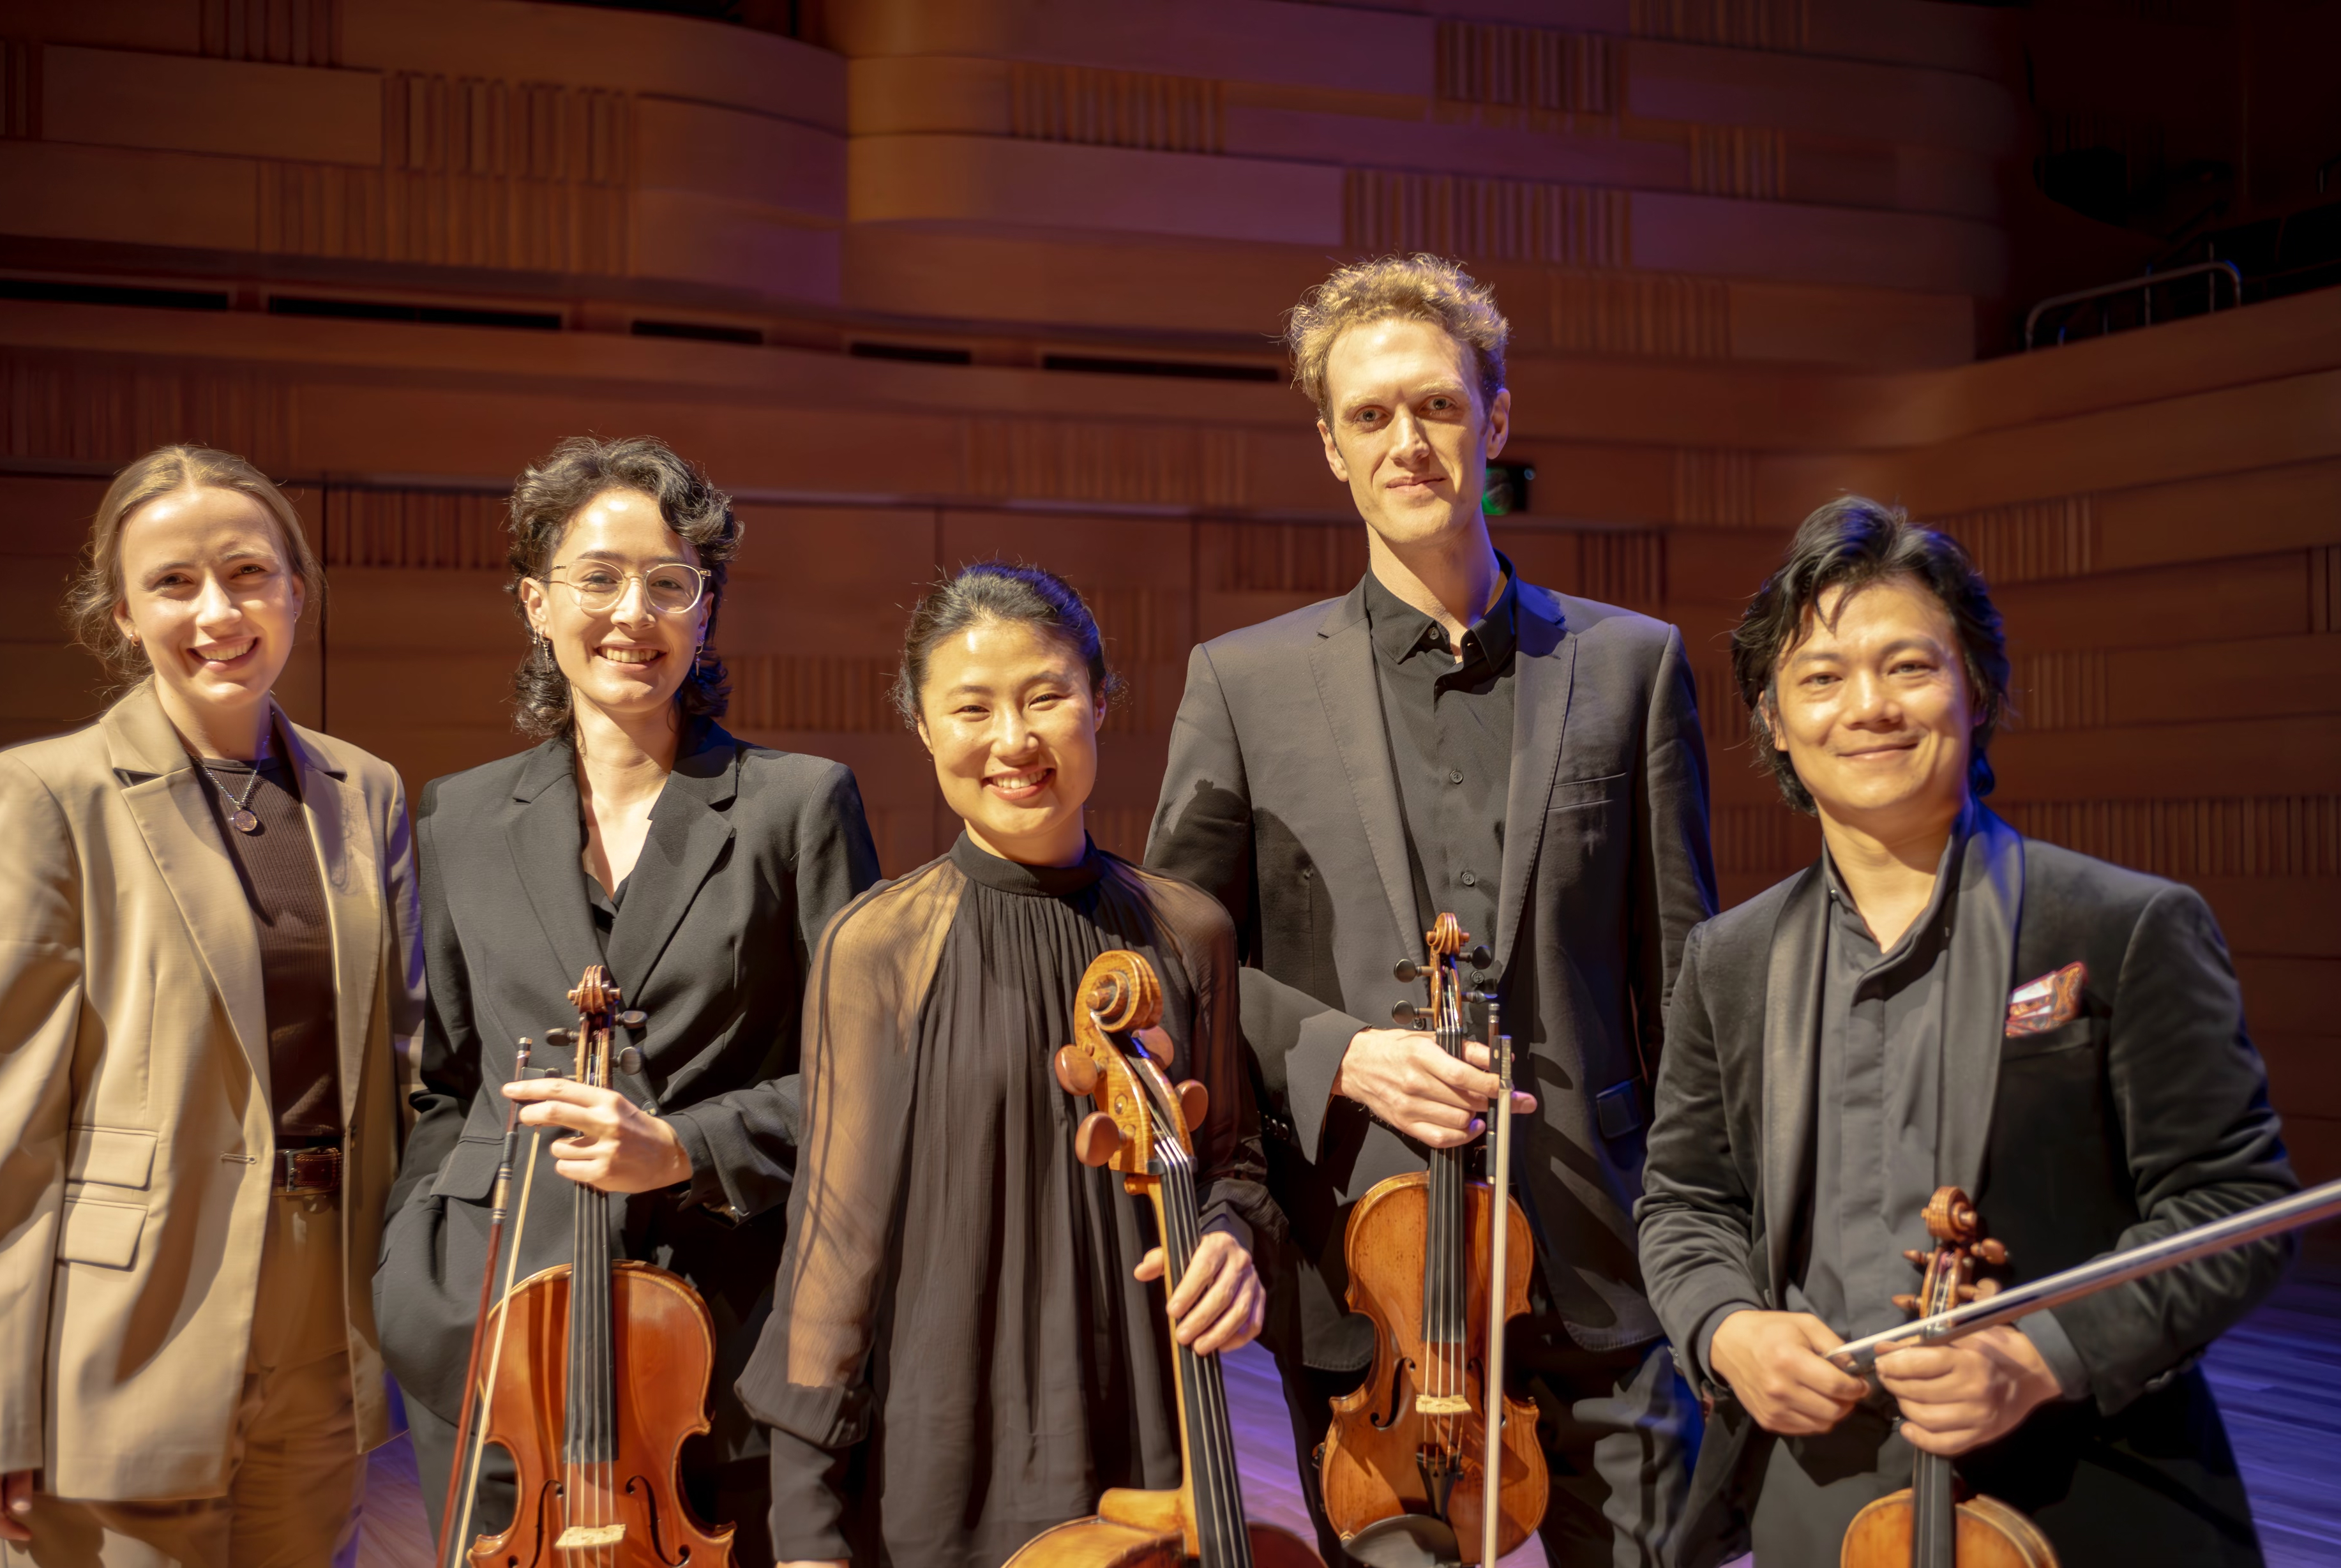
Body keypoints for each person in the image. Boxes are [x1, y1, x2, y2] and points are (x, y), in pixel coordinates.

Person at [1147, 253, 1718, 1567]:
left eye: (1438, 407)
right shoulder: (1243, 686)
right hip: (1373, 1274)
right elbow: (1178, 960)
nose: (1407, 442)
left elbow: (1686, 984)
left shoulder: (1629, 668)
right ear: (1330, 450)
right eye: (1369, 416)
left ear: (1496, 421)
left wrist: (1711, 1245)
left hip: (1600, 1260)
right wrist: (1342, 1050)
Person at [1635, 496, 2297, 1565]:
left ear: (1973, 691)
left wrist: (2040, 1356)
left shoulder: (2124, 929)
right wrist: (1728, 1329)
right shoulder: (1731, 959)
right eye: (1820, 678)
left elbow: (2239, 1209)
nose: (1868, 708)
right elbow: (1686, 1203)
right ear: (1770, 717)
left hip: (2080, 1481)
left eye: (1908, 667)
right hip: (1822, 1486)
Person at [373, 436, 880, 1565]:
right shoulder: (457, 818)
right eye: (597, 578)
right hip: (498, 1320)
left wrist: (688, 1147)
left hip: (723, 1330)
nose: (631, 613)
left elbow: (874, 1077)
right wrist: (420, 1271)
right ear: (534, 604)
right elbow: (447, 1083)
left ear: (706, 612)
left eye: (669, 583)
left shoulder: (798, 808)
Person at [738, 563, 1274, 1568]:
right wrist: (806, 1525)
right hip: (943, 1447)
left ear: (1101, 703)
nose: (1015, 742)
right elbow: (834, 1241)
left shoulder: (1187, 931)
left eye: (1047, 698)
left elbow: (1233, 1161)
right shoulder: (879, 946)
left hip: (1146, 1438)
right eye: (972, 708)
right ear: (925, 729)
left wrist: (1234, 1236)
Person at [0, 445, 423, 1566]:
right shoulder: (47, 793)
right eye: (174, 584)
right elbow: (7, 1123)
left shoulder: (362, 789)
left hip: (328, 1302)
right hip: (127, 1319)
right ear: (122, 614)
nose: (218, 611)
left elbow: (408, 1055)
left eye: (249, 574)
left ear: (296, 590)